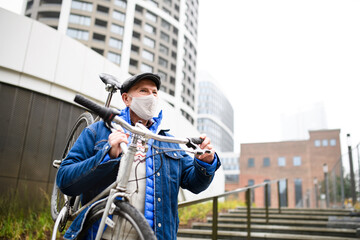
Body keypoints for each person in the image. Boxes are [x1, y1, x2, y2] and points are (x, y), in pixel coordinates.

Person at [57, 72, 221, 239]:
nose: (151, 97)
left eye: (155, 92)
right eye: (144, 91)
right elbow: (65, 180)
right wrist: (107, 155)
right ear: (126, 99)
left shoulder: (167, 142)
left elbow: (195, 183)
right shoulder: (98, 131)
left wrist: (205, 163)